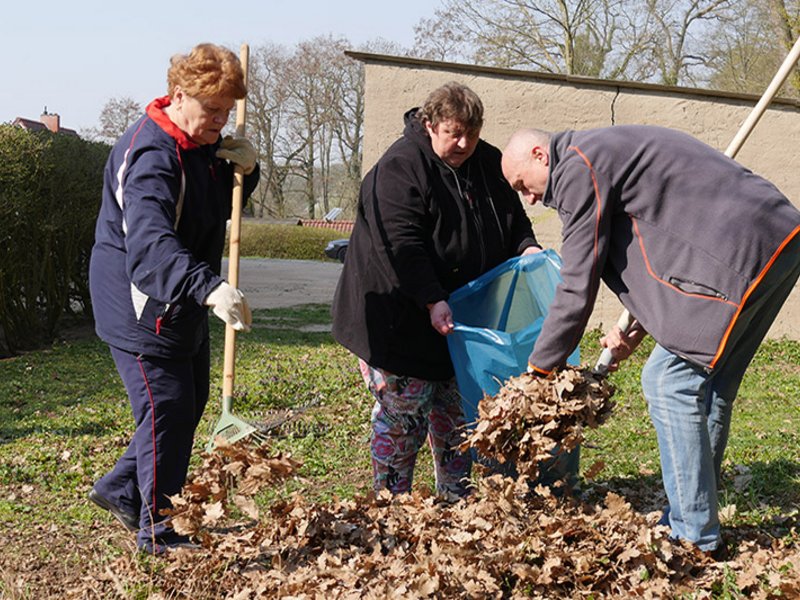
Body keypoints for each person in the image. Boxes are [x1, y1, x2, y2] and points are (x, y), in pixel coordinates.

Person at [501, 125, 800, 555]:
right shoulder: (607, 153)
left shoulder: (577, 165)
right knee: (708, 389)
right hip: (778, 241)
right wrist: (636, 330)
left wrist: (540, 367)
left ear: (539, 155)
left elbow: (577, 281)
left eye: (521, 185)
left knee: (667, 380)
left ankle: (693, 534)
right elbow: (659, 254)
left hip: (739, 254)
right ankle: (697, 515)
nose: (527, 198)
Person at [87, 43, 260, 554]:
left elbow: (210, 210)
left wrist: (243, 176)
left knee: (189, 403)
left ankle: (120, 487)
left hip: (178, 294)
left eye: (228, 111)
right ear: (178, 95)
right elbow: (150, 245)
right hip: (140, 297)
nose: (220, 121)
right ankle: (157, 531)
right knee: (168, 407)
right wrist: (209, 287)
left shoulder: (199, 142)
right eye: (212, 110)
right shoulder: (151, 155)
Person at [332, 82, 542, 498]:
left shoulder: (487, 161)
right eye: (454, 133)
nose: (464, 143)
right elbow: (402, 244)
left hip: (460, 318)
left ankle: (455, 499)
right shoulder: (400, 169)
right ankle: (392, 506)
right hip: (399, 318)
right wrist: (432, 298)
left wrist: (527, 247)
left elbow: (512, 216)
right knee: (404, 415)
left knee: (458, 413)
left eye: (472, 133)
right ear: (430, 126)